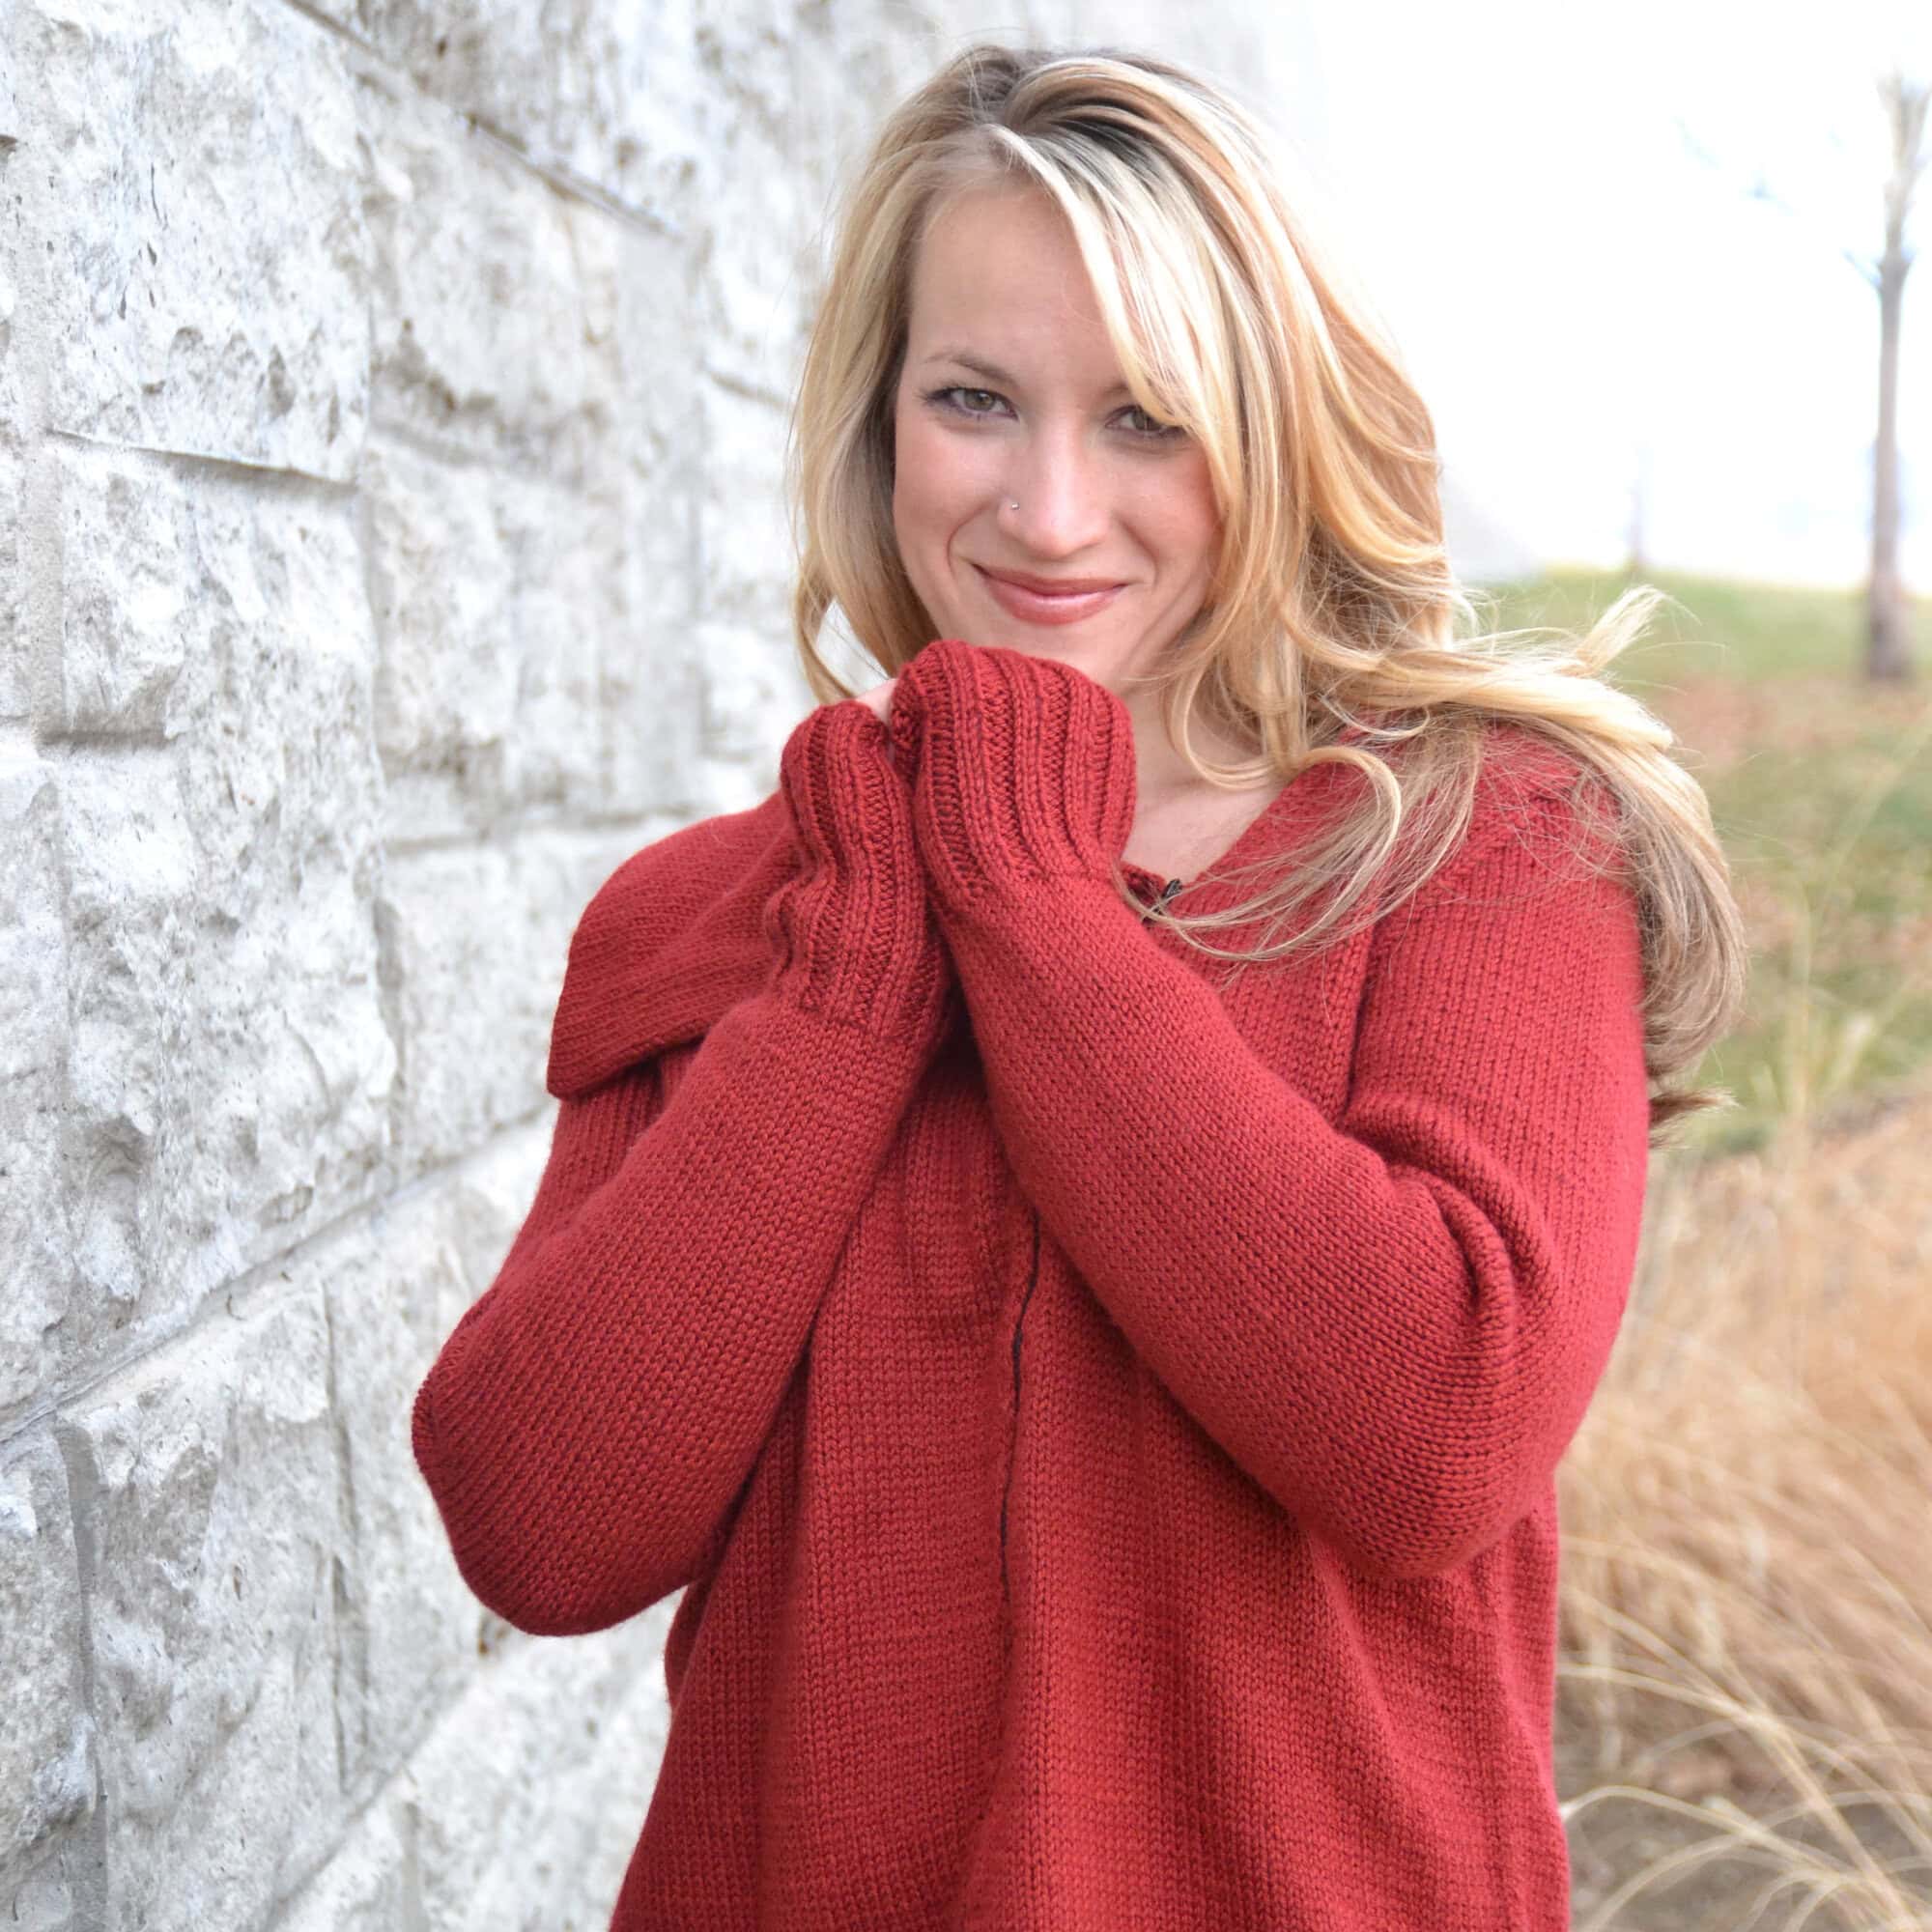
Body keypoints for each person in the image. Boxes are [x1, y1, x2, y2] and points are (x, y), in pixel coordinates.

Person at [411, 41, 1748, 1932]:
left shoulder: (1482, 844)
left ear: (1273, 424)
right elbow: (540, 1527)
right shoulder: (717, 919)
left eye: (1146, 418)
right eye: (974, 399)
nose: (1049, 513)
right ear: (880, 422)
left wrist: (1024, 900)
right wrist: (856, 973)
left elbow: (1431, 1429)